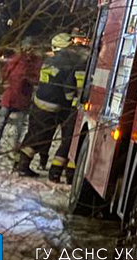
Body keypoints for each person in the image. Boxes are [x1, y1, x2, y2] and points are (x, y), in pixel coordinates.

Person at [15, 33, 85, 178]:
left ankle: (20, 163)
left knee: (33, 133)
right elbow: (68, 90)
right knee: (42, 136)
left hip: (38, 103)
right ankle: (23, 166)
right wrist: (71, 103)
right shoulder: (71, 63)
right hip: (53, 106)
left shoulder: (50, 60)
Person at [0, 38, 42, 154]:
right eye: (27, 48)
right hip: (10, 96)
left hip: (23, 98)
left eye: (31, 48)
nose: (29, 51)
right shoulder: (15, 59)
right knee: (1, 123)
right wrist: (4, 83)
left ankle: (15, 148)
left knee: (19, 127)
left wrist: (28, 79)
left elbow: (37, 78)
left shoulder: (35, 63)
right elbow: (4, 73)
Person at [48, 35, 90, 183]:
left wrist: (71, 100)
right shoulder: (97, 71)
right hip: (89, 112)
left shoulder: (78, 68)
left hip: (74, 110)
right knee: (77, 142)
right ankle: (70, 175)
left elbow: (68, 88)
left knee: (68, 141)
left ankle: (55, 171)